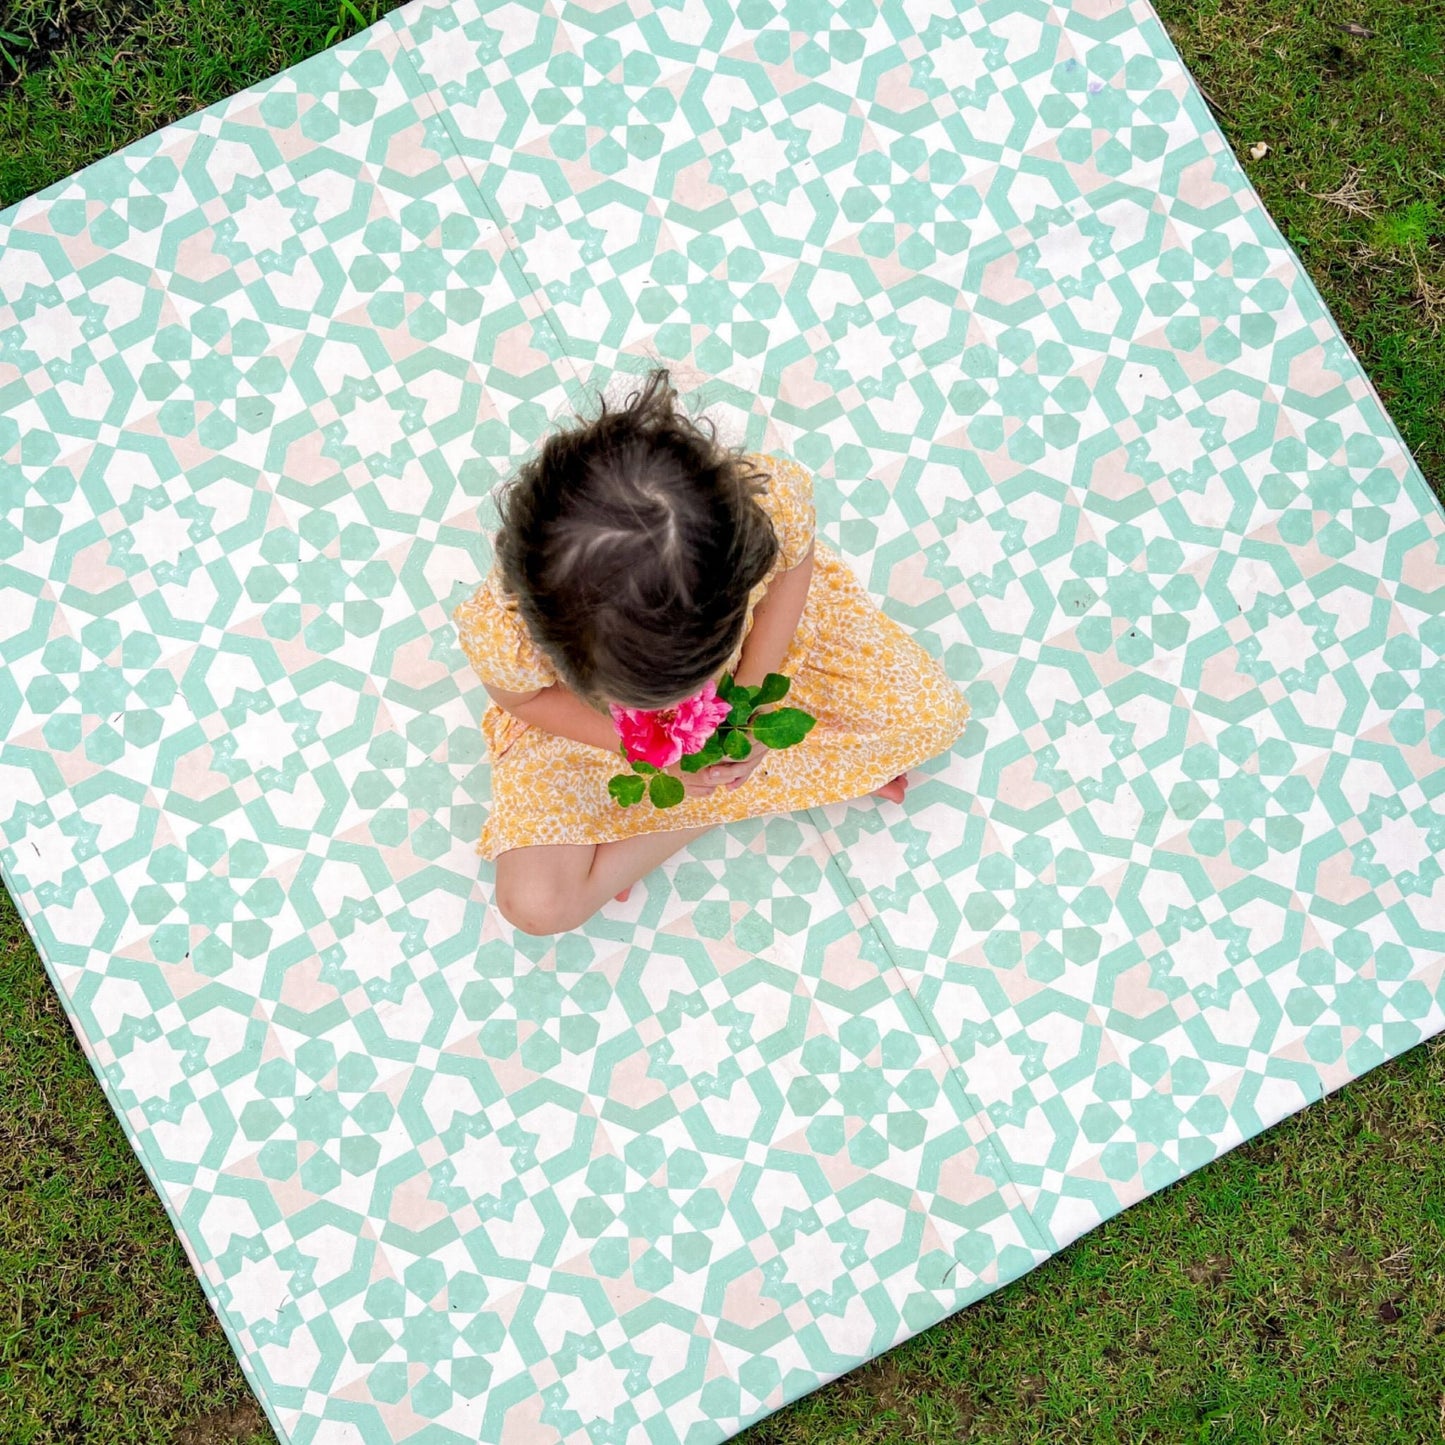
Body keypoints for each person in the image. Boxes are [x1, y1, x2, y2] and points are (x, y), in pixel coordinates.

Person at [452, 367, 971, 936]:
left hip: (765, 653)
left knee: (932, 719)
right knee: (536, 905)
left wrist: (745, 701)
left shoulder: (766, 510)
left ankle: (667, 810)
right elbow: (524, 700)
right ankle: (730, 791)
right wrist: (650, 752)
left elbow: (795, 570)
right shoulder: (504, 629)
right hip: (595, 733)